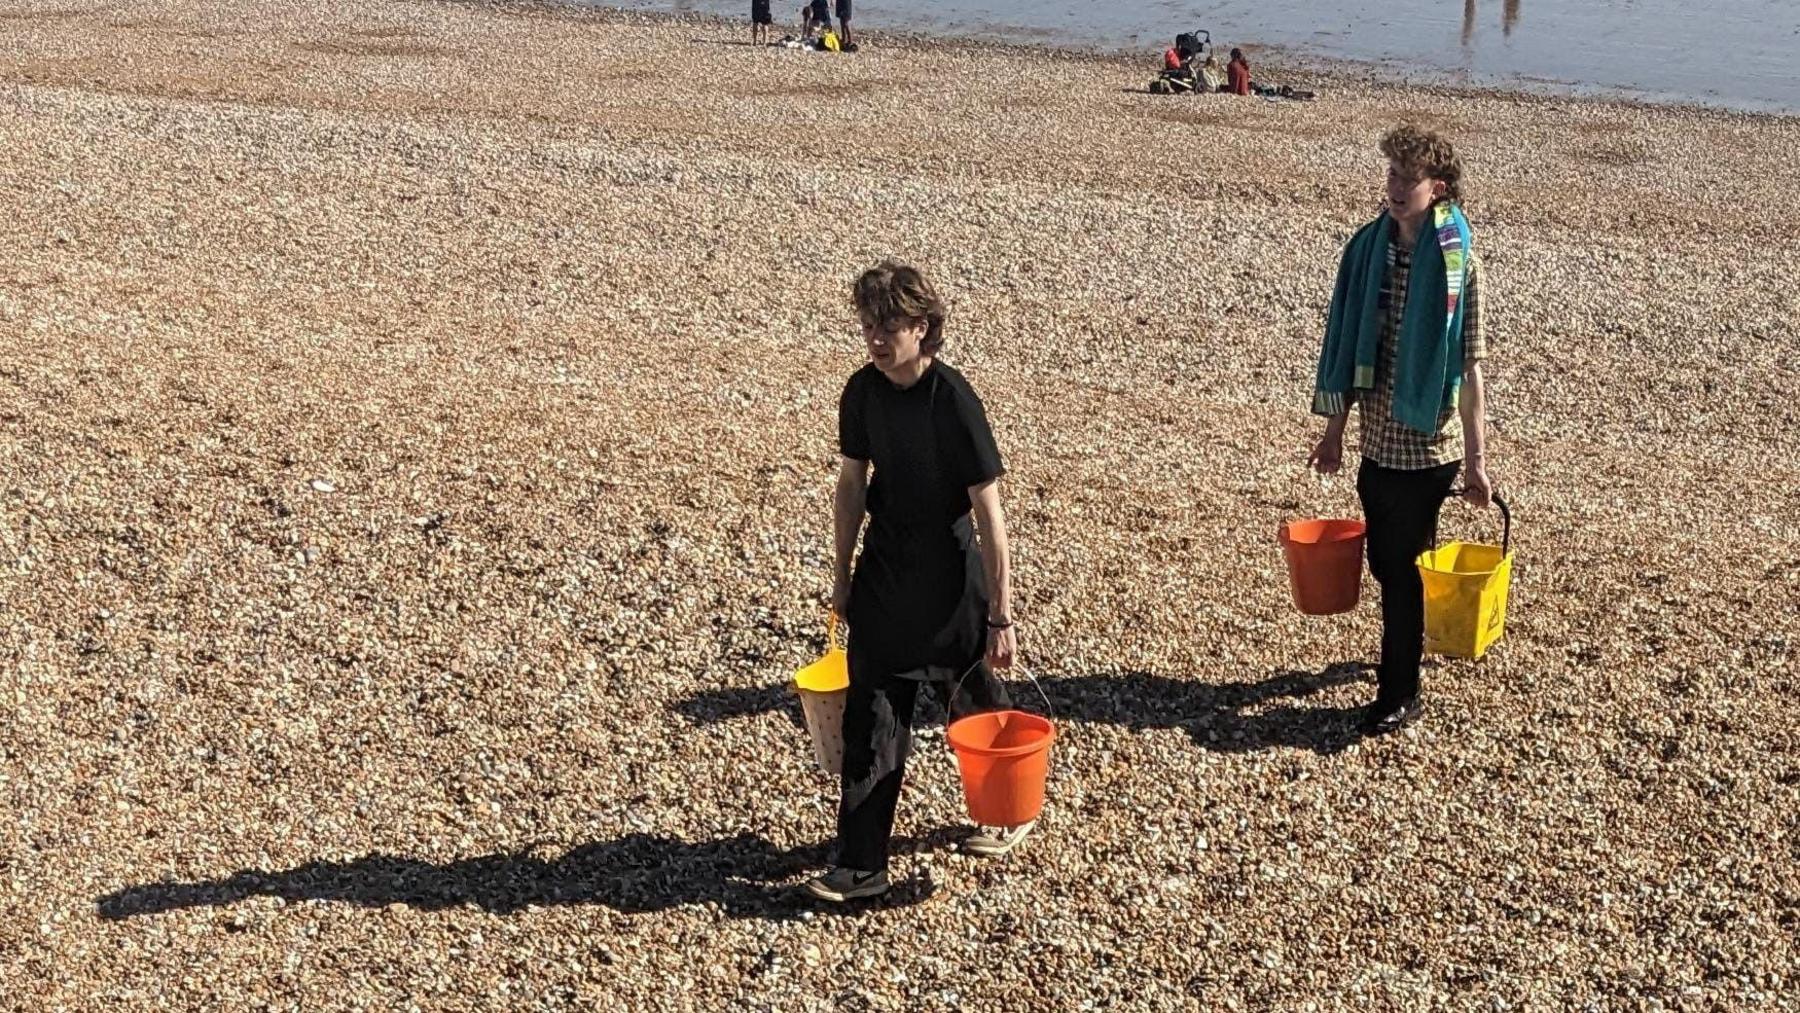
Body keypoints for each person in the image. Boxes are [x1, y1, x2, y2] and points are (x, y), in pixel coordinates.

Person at [806, 261, 1026, 903]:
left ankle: (1007, 810)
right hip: (883, 570)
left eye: (890, 324)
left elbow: (989, 511)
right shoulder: (861, 392)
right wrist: (841, 577)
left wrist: (1001, 614)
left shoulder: (953, 399)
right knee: (872, 715)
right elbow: (851, 486)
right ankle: (861, 862)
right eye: (869, 323)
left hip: (952, 576)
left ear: (923, 327)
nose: (876, 337)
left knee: (972, 703)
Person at [1307, 125, 1495, 735]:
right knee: (1389, 567)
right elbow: (1352, 345)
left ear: (1436, 188)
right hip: (1377, 437)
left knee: (1401, 561)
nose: (1392, 187)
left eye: (1405, 178)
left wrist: (1476, 461)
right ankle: (1400, 656)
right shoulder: (1370, 250)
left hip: (1429, 442)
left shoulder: (1457, 261)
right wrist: (1334, 432)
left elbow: (1468, 370)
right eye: (1389, 174)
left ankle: (1399, 692)